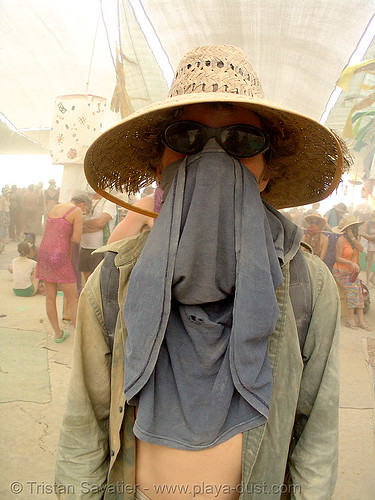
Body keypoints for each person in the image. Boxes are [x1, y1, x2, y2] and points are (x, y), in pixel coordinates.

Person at [56, 45, 349, 499]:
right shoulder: (113, 282)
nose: (213, 158)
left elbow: (316, 439)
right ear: (161, 167)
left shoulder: (308, 288)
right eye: (186, 137)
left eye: (242, 142)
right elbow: (85, 429)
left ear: (265, 173)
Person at [35, 194, 91, 343]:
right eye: (86, 209)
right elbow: (76, 239)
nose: (84, 212)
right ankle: (80, 338)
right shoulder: (76, 211)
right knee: (73, 298)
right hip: (60, 256)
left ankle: (58, 334)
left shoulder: (56, 207)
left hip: (43, 253)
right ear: (83, 204)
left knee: (50, 297)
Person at [332, 215, 370, 331]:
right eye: (351, 228)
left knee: (359, 289)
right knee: (353, 288)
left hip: (352, 272)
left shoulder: (355, 240)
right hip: (340, 271)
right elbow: (338, 258)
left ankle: (361, 320)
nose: (353, 229)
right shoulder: (341, 240)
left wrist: (353, 237)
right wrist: (350, 263)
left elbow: (362, 249)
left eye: (354, 227)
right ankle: (350, 319)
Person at [78, 192, 118, 281]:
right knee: (87, 281)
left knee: (98, 281)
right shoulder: (87, 200)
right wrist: (89, 226)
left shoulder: (108, 202)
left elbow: (100, 222)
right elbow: (77, 225)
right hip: (84, 247)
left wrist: (83, 224)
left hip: (100, 249)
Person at [359, 209, 375, 286]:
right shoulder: (368, 222)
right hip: (370, 244)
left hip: (372, 242)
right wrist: (368, 237)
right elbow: (362, 232)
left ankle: (372, 278)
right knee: (370, 263)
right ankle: (368, 281)